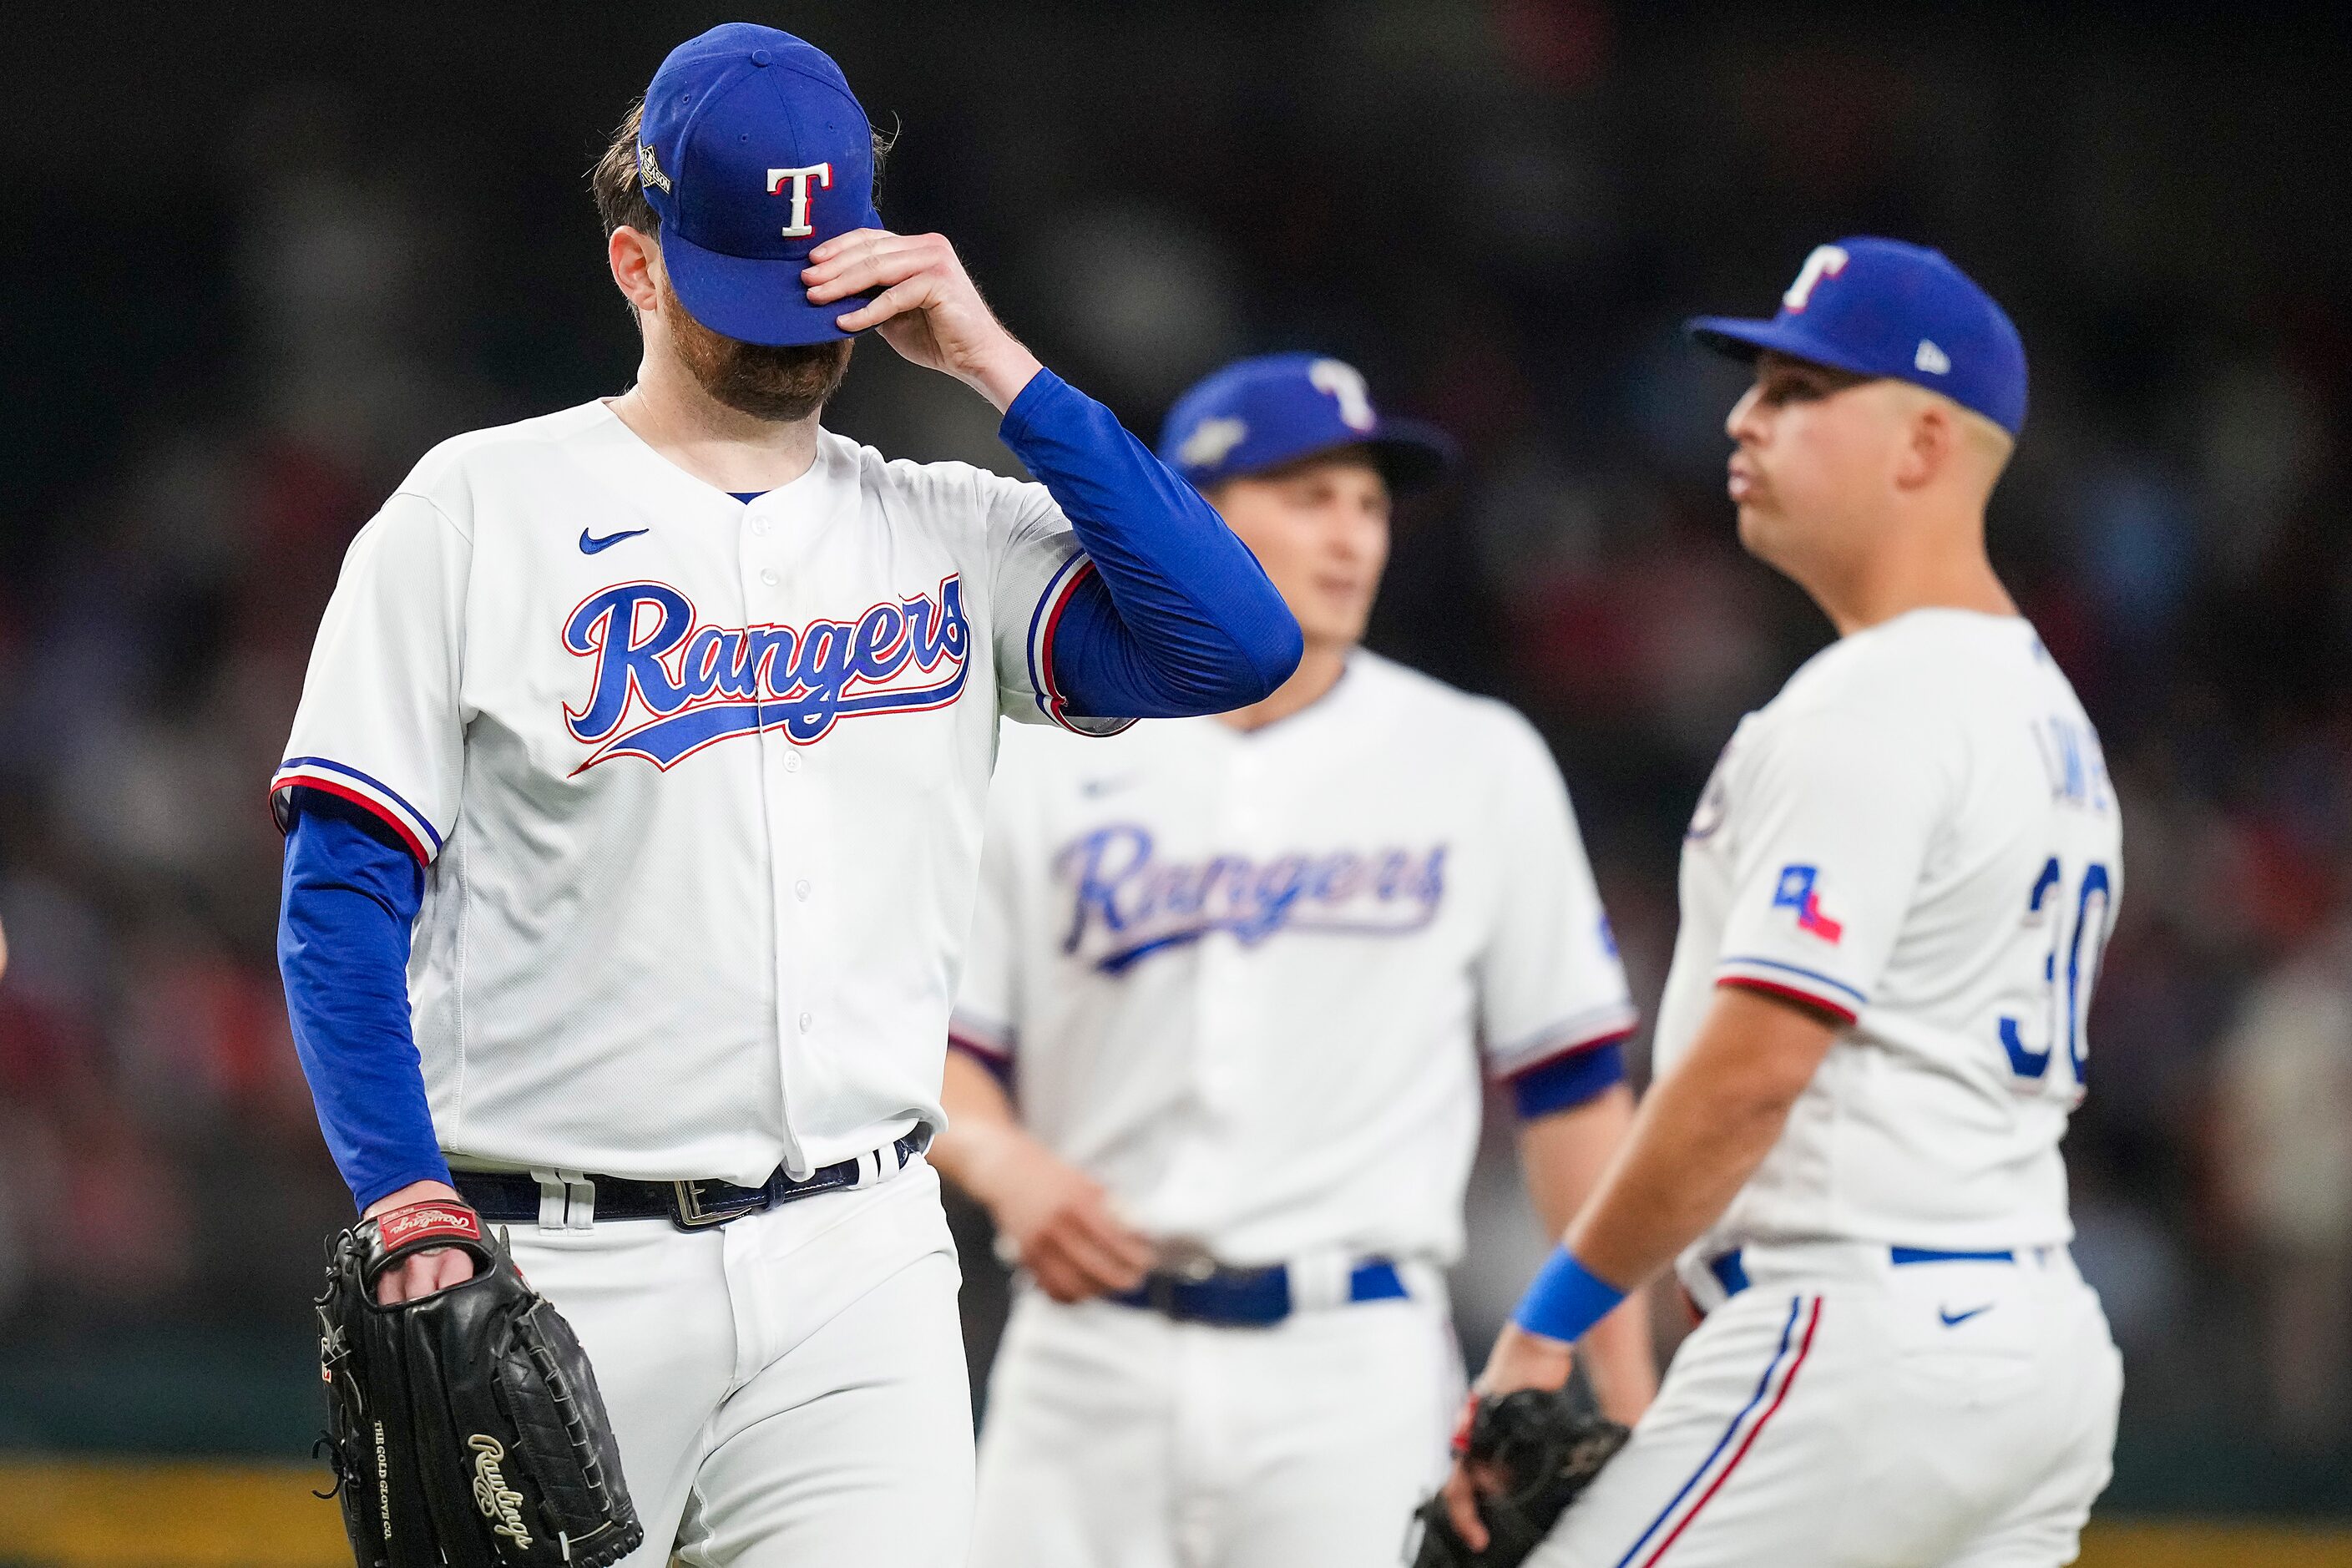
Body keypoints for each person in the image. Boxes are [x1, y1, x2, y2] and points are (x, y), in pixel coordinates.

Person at [271, 24, 1299, 1567]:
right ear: (636, 262)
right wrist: (405, 1196)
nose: (789, 328)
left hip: (859, 1262)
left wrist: (999, 367)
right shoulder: (477, 508)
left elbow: (1233, 642)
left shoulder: (948, 526)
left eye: (815, 280)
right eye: (745, 280)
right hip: (549, 1259)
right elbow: (341, 891)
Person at [1444, 239, 2125, 1566]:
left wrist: (1548, 1320)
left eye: (1800, 390)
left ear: (1923, 442)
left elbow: (1750, 1073)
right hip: (2036, 1342)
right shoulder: (2050, 713)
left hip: (1860, 1335)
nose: (1742, 417)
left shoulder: (1871, 700)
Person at [933, 353, 1657, 1568]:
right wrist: (1002, 1162)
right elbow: (939, 1044)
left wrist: (1628, 1397)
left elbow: (1571, 1089)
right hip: (1086, 1357)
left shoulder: (1473, 757)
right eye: (1309, 496)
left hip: (1355, 1361)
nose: (1352, 534)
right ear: (1199, 513)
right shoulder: (1048, 751)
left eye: (1371, 503)